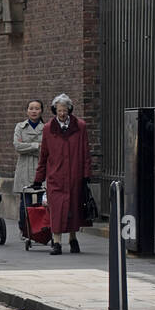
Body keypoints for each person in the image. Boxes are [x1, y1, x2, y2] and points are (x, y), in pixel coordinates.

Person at [33, 93, 93, 255]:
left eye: (65, 110)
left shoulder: (80, 126)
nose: (62, 113)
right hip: (56, 176)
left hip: (74, 176)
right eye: (59, 110)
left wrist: (86, 174)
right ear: (55, 110)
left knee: (74, 208)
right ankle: (57, 242)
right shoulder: (48, 129)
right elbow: (44, 155)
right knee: (57, 209)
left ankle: (73, 239)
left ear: (69, 110)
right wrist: (39, 178)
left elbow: (86, 152)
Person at [13, 99, 45, 234]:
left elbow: (47, 149)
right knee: (25, 201)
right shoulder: (20, 127)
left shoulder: (47, 128)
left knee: (40, 200)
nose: (34, 111)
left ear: (41, 111)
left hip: (41, 166)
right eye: (31, 108)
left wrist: (27, 146)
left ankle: (39, 228)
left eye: (37, 108)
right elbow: (17, 146)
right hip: (24, 166)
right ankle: (24, 228)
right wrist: (37, 145)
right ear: (27, 111)